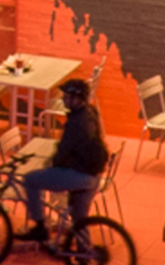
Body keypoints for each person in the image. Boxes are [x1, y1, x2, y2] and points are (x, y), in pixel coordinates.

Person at [19, 77, 109, 242]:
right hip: (94, 175)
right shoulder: (90, 112)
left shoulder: (76, 122)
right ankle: (83, 260)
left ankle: (39, 227)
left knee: (31, 179)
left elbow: (63, 152)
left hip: (80, 175)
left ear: (77, 99)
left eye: (67, 97)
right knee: (79, 219)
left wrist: (52, 167)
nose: (63, 99)